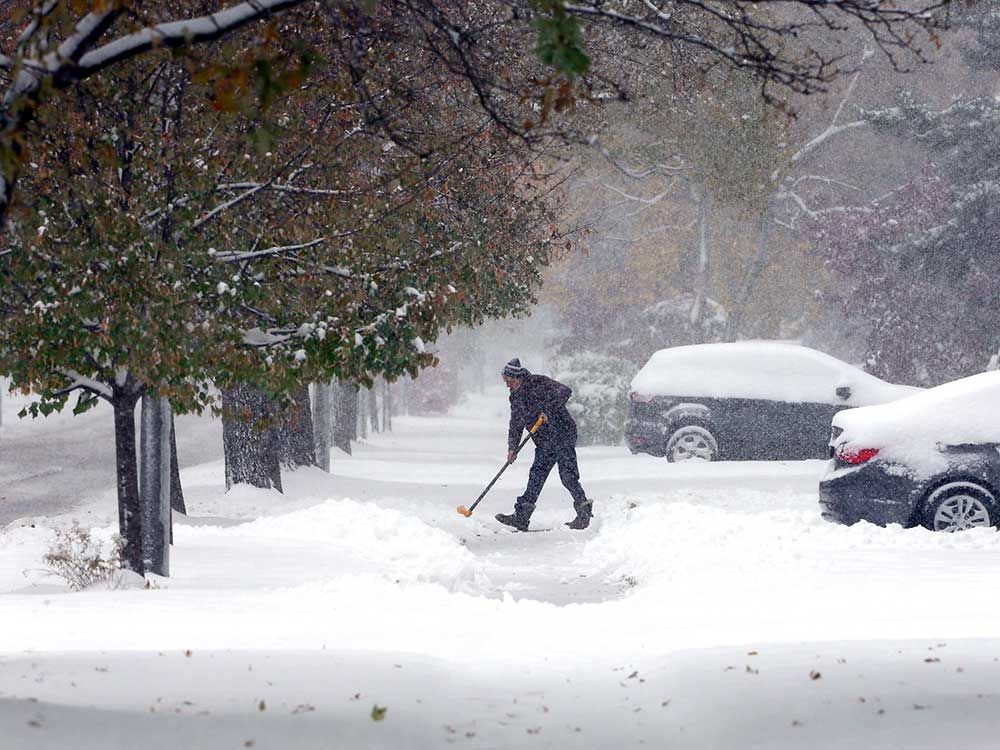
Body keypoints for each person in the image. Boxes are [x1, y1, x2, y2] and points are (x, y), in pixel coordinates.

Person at [496, 357, 593, 531]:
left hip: (563, 433)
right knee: (536, 476)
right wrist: (513, 448)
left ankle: (583, 513)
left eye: (509, 381)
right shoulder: (516, 397)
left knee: (568, 475)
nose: (507, 385)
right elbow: (516, 424)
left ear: (517, 378)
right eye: (505, 381)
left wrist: (547, 410)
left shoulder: (539, 382)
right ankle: (521, 517)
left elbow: (565, 391)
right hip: (544, 440)